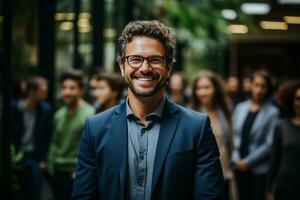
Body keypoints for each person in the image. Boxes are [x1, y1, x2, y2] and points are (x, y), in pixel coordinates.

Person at [72, 20, 224, 200]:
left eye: (154, 60)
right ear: (122, 66)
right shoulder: (95, 128)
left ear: (168, 67)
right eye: (135, 59)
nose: (145, 68)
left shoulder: (196, 128)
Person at [231, 70, 279, 200]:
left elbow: (269, 144)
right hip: (238, 166)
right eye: (256, 85)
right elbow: (234, 135)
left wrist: (247, 162)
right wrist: (236, 159)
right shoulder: (240, 107)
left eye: (263, 86)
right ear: (251, 85)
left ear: (268, 89)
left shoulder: (273, 113)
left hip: (258, 169)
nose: (259, 89)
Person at [47, 69, 94, 200]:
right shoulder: (59, 115)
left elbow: (92, 149)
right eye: (64, 88)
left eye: (72, 88)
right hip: (57, 172)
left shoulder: (90, 114)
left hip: (76, 174)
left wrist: (81, 171)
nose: (67, 92)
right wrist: (50, 167)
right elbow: (55, 142)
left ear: (81, 90)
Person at [191, 71, 235, 200]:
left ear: (215, 89)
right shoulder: (191, 113)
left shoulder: (224, 110)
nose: (202, 92)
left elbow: (229, 141)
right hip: (203, 173)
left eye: (207, 87)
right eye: (199, 88)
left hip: (225, 170)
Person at [12, 76, 52, 200]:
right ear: (31, 91)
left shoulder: (45, 110)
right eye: (42, 92)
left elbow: (47, 136)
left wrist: (43, 159)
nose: (45, 96)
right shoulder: (14, 108)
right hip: (15, 154)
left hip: (35, 156)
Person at [266, 80, 300, 200]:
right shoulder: (281, 126)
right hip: (284, 186)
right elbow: (274, 160)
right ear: (291, 100)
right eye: (297, 99)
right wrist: (269, 189)